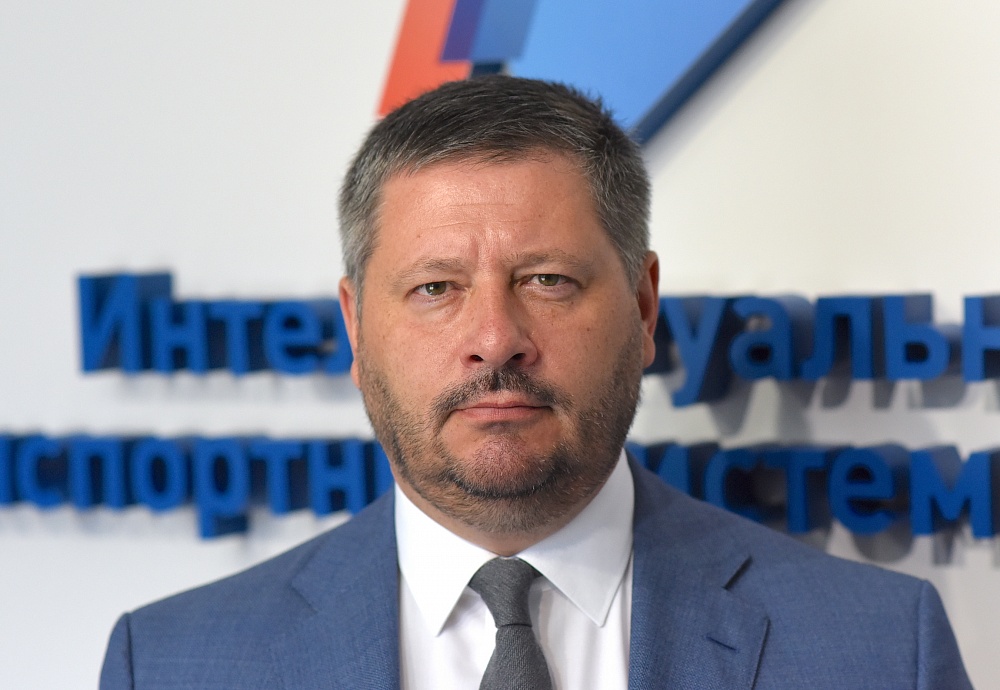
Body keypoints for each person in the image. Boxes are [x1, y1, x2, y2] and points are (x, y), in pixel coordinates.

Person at [100, 75, 972, 689]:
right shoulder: (169, 664)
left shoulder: (881, 652)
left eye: (547, 280)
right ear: (356, 328)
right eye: (435, 288)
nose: (495, 339)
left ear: (642, 306)